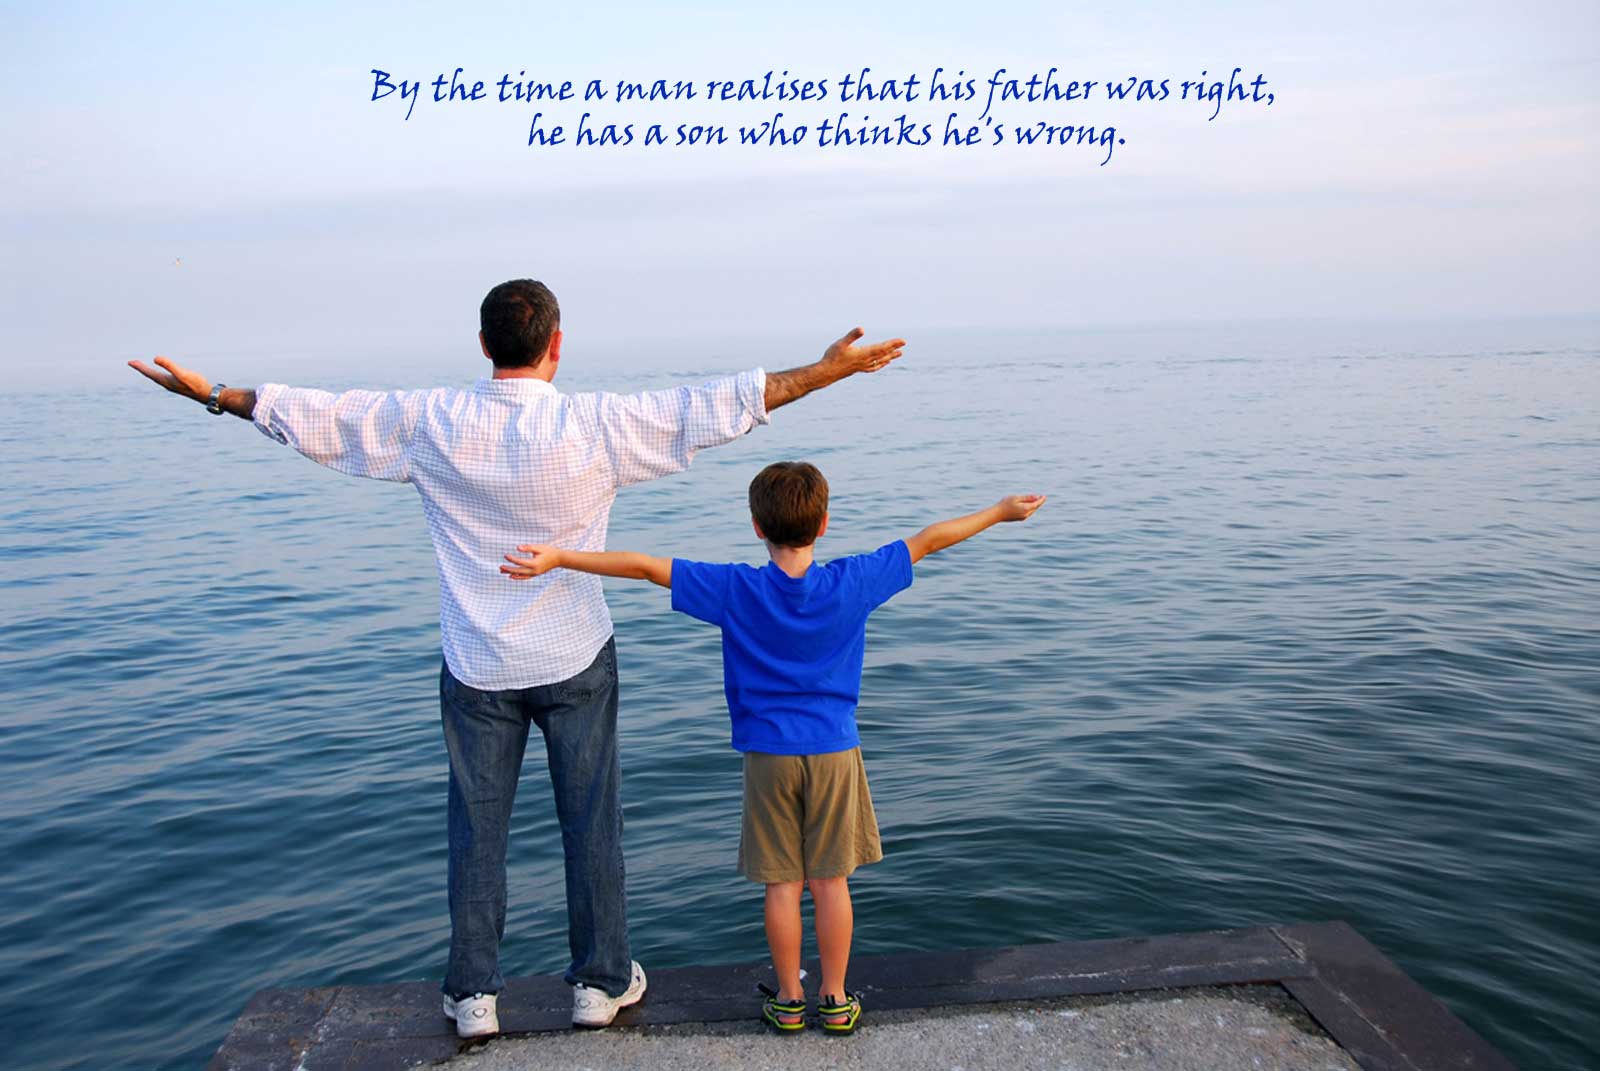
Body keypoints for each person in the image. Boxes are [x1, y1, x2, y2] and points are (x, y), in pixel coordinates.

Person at [127, 280, 906, 1038]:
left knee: (478, 830)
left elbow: (323, 417)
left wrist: (215, 394)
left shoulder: (430, 421)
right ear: (556, 345)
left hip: (477, 664)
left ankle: (474, 994)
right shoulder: (595, 425)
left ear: (483, 343)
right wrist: (827, 371)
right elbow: (718, 405)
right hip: (574, 656)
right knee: (591, 822)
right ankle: (600, 983)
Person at [500, 461, 1046, 1033]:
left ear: (757, 527)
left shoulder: (736, 590)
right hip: (834, 752)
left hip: (767, 758)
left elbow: (642, 566)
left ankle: (788, 1000)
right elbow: (929, 540)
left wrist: (560, 558)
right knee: (831, 882)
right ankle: (835, 999)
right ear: (824, 524)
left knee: (782, 884)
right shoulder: (853, 582)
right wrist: (1000, 512)